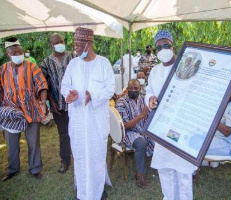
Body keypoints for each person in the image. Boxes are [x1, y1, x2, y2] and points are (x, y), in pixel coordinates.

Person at [145, 30, 231, 200]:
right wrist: (150, 99)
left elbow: (213, 85)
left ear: (173, 47)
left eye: (166, 45)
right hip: (162, 128)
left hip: (183, 128)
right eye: (158, 47)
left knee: (183, 174)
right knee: (165, 170)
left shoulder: (190, 66)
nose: (162, 49)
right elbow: (149, 91)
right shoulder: (155, 71)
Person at [61, 27, 115, 200]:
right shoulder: (73, 64)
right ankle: (83, 191)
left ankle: (98, 191)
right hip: (77, 121)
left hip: (97, 122)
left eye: (78, 44)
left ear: (89, 43)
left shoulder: (103, 63)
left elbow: (110, 88)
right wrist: (70, 94)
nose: (75, 48)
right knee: (80, 155)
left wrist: (93, 95)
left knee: (97, 155)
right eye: (74, 44)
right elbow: (65, 86)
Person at [1, 37, 48, 181]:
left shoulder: (31, 67)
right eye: (14, 52)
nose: (18, 54)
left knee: (33, 142)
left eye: (20, 51)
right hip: (11, 112)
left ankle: (35, 169)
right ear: (8, 54)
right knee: (12, 143)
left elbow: (42, 84)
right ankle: (13, 169)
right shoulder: (2, 69)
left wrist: (43, 102)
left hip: (31, 110)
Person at [41, 33, 76, 173]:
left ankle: (80, 157)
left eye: (61, 41)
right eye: (57, 42)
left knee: (77, 131)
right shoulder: (46, 62)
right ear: (51, 45)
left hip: (75, 103)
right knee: (63, 133)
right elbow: (44, 83)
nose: (60, 43)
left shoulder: (74, 57)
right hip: (58, 105)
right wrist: (51, 101)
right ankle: (65, 160)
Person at [116, 79, 154, 189]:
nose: (133, 90)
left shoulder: (143, 100)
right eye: (131, 88)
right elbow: (125, 126)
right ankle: (140, 175)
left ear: (140, 89)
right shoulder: (121, 102)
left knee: (158, 137)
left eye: (136, 89)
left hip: (142, 129)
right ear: (127, 89)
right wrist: (141, 116)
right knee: (141, 143)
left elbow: (148, 117)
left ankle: (162, 166)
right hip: (127, 132)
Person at [205, 92, 231, 167]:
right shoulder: (225, 103)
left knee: (194, 145)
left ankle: (191, 173)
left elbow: (227, 132)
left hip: (227, 144)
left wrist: (211, 118)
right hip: (216, 138)